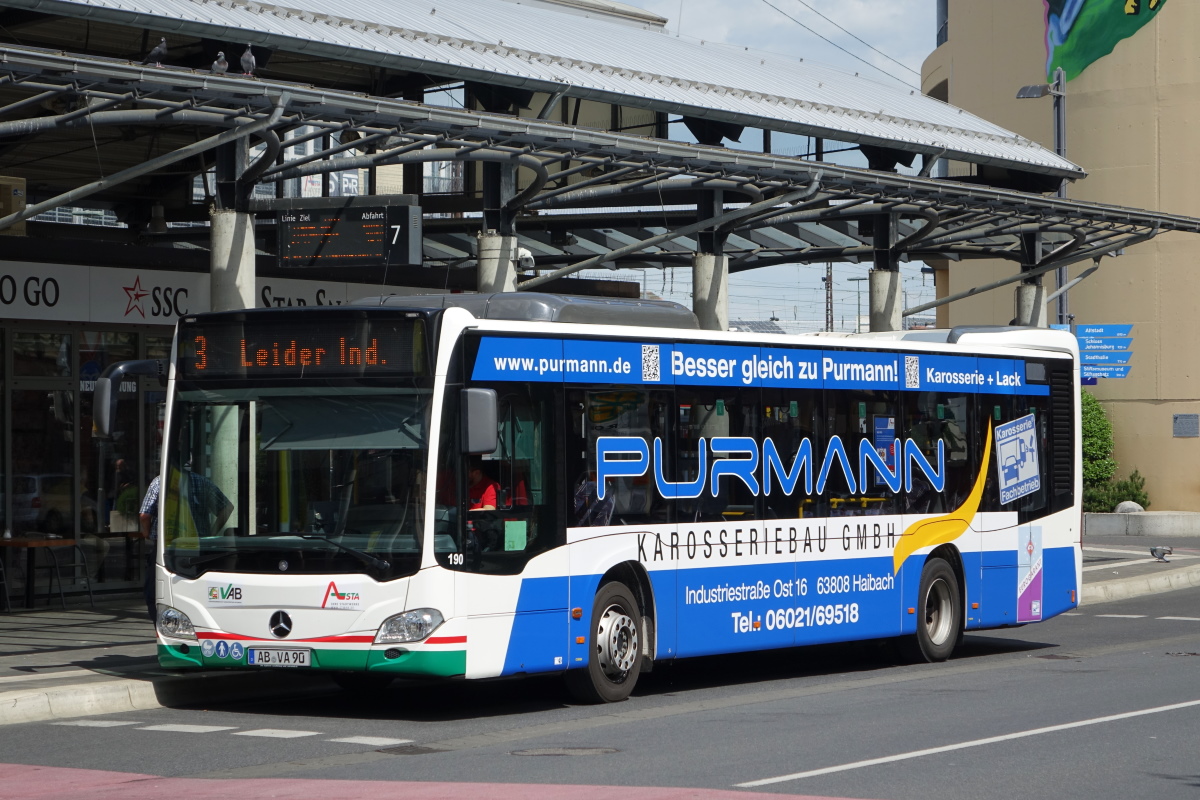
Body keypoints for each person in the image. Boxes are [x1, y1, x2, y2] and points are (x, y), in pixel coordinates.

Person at [137, 466, 233, 622]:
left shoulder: (160, 482)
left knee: (154, 591)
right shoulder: (202, 482)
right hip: (198, 546)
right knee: (195, 588)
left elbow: (144, 515)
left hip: (167, 546)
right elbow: (227, 507)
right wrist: (212, 532)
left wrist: (146, 532)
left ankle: (163, 625)